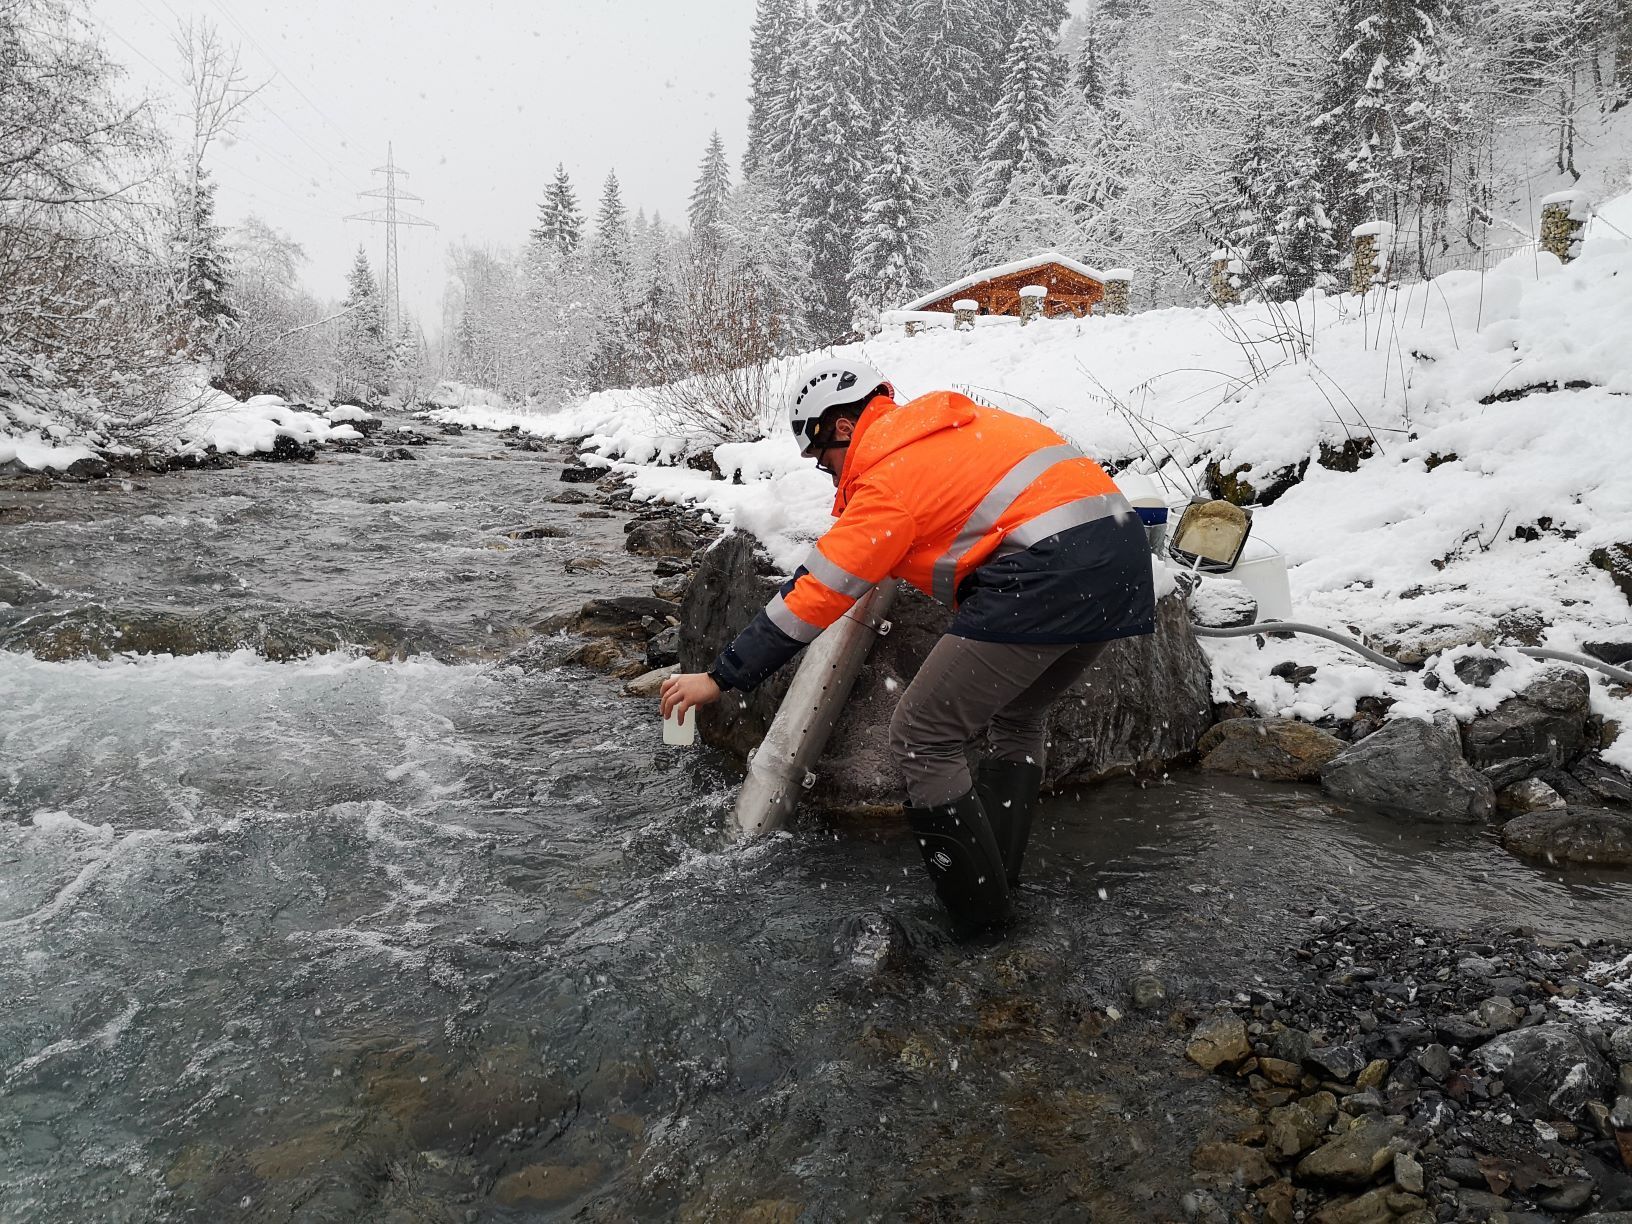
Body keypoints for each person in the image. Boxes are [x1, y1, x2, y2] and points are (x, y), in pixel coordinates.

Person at [661, 358, 1155, 937]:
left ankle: (979, 923)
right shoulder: (949, 432)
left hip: (1048, 572)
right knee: (1019, 718)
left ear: (841, 427)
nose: (827, 473)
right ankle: (999, 883)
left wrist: (721, 678)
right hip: (1122, 565)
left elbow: (817, 592)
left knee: (923, 734)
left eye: (823, 459)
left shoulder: (889, 476)